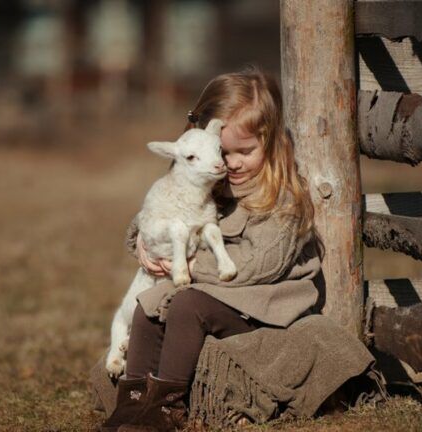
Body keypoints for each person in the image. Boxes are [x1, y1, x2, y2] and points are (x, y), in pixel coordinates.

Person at [100, 66, 343, 432]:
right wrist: (146, 245)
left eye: (244, 151)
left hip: (260, 310)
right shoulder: (209, 181)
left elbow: (255, 267)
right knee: (149, 306)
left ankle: (168, 407)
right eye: (222, 151)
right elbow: (161, 209)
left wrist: (191, 265)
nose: (230, 164)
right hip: (216, 297)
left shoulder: (281, 201)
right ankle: (134, 403)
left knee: (186, 304)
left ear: (271, 142)